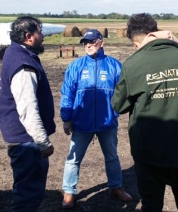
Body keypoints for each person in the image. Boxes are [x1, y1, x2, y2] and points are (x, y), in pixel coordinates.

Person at [111, 13, 178, 212]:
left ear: (136, 42)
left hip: (149, 151)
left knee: (151, 205)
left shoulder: (133, 64)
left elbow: (118, 105)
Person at [60, 29, 132, 208]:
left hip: (107, 123)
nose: (88, 45)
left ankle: (116, 187)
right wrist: (66, 118)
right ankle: (69, 191)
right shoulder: (75, 67)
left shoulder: (115, 66)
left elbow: (123, 93)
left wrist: (115, 112)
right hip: (81, 123)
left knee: (112, 157)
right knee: (73, 158)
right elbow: (67, 93)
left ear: (101, 42)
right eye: (85, 42)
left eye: (92, 41)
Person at [0, 16, 56, 211]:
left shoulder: (14, 52)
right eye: (40, 32)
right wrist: (42, 142)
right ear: (29, 36)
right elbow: (27, 108)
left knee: (24, 188)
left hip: (22, 137)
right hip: (27, 140)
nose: (43, 37)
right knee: (28, 196)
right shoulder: (24, 65)